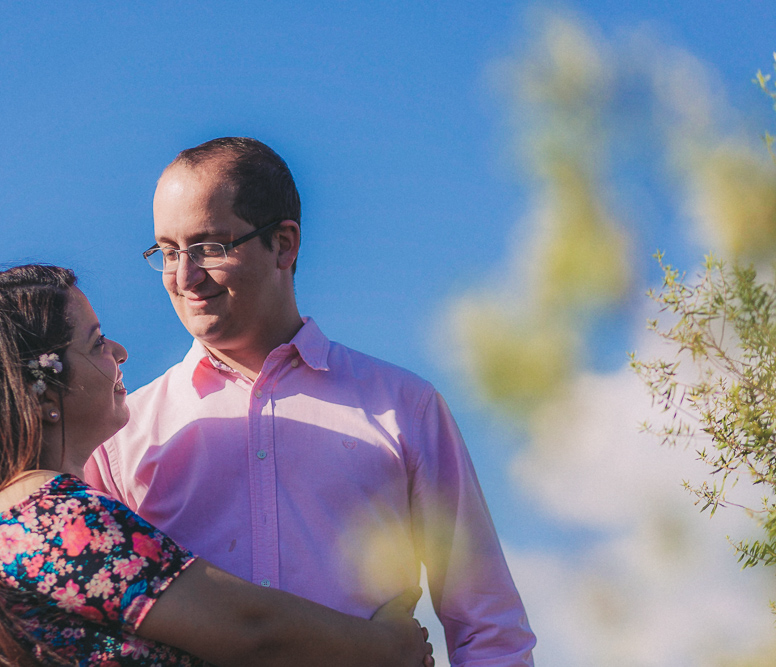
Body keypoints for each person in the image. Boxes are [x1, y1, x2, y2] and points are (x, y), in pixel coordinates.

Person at [85, 137, 537, 665]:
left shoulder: (404, 407)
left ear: (283, 243)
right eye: (167, 251)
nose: (184, 277)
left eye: (208, 247)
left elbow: (488, 628)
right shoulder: (121, 434)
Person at [0, 264, 434, 667]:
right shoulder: (57, 522)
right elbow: (251, 629)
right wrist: (390, 644)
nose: (120, 351)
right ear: (41, 394)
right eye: (95, 342)